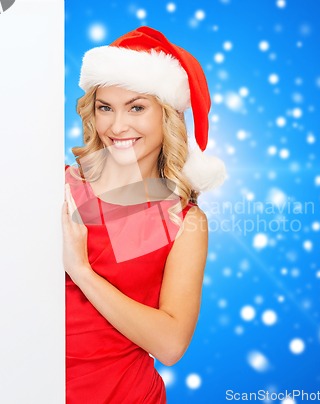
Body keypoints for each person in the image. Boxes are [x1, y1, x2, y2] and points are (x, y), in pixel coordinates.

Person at [61, 26, 226, 403]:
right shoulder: (60, 187)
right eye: (106, 107)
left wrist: (81, 271)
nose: (117, 127)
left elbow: (170, 345)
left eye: (136, 107)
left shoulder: (183, 219)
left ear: (166, 116)